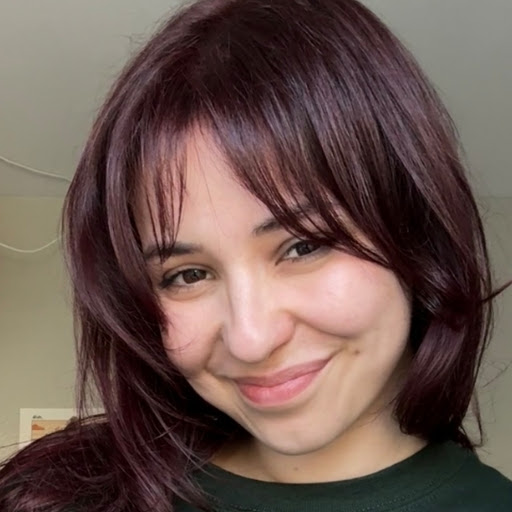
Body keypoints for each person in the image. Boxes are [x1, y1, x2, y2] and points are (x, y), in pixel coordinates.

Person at [1, 0, 511, 510]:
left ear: (415, 233)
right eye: (188, 274)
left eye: (304, 245)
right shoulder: (60, 497)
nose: (251, 340)